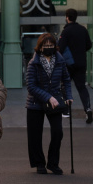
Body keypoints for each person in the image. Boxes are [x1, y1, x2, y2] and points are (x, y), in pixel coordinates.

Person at [26, 33, 72, 175]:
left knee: (58, 132)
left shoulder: (60, 60)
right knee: (35, 135)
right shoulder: (34, 62)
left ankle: (53, 163)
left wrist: (68, 96)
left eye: (51, 46)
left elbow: (66, 79)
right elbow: (31, 86)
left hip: (55, 101)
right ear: (40, 47)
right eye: (45, 46)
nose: (48, 48)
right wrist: (48, 97)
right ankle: (39, 163)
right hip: (36, 102)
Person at [58, 8, 93, 123]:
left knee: (65, 86)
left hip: (69, 65)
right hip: (81, 63)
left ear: (67, 17)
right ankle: (88, 109)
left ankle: (66, 111)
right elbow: (89, 45)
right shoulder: (83, 29)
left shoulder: (66, 31)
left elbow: (61, 48)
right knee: (82, 87)